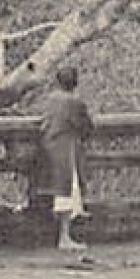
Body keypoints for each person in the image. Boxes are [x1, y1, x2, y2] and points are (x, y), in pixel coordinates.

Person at [39, 66, 93, 251]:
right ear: (75, 82)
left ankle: (64, 236)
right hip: (66, 147)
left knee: (60, 189)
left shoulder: (50, 99)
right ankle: (64, 237)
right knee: (67, 189)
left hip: (48, 146)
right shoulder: (74, 102)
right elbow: (85, 126)